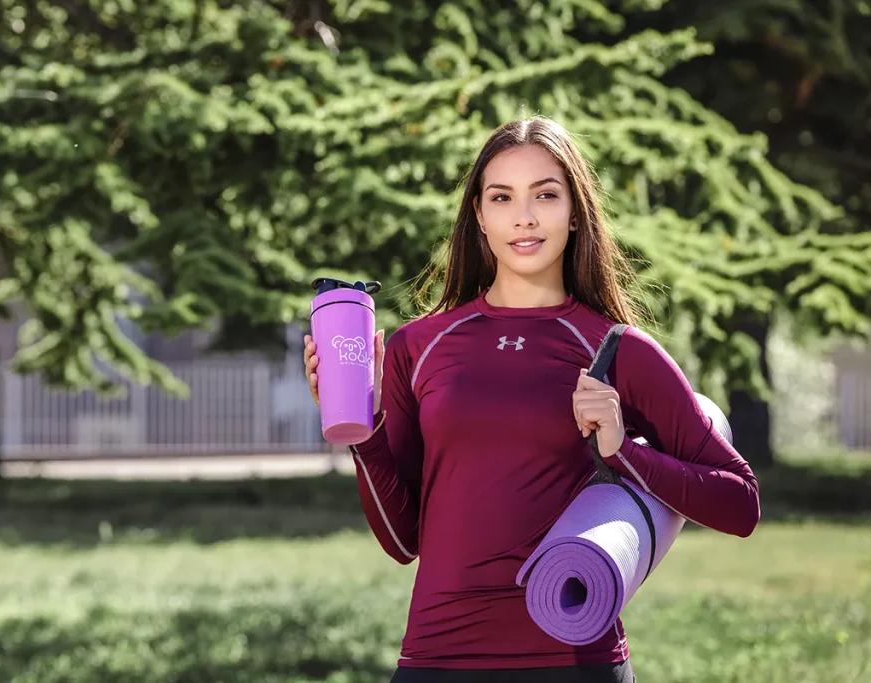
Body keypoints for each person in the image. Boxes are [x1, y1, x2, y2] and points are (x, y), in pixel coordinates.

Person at [302, 117, 760, 683]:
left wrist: (624, 453)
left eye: (545, 194)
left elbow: (740, 504)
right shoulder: (416, 347)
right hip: (437, 659)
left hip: (573, 663)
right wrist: (363, 431)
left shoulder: (617, 349)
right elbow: (402, 543)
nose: (524, 215)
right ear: (479, 216)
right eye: (502, 197)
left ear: (575, 212)